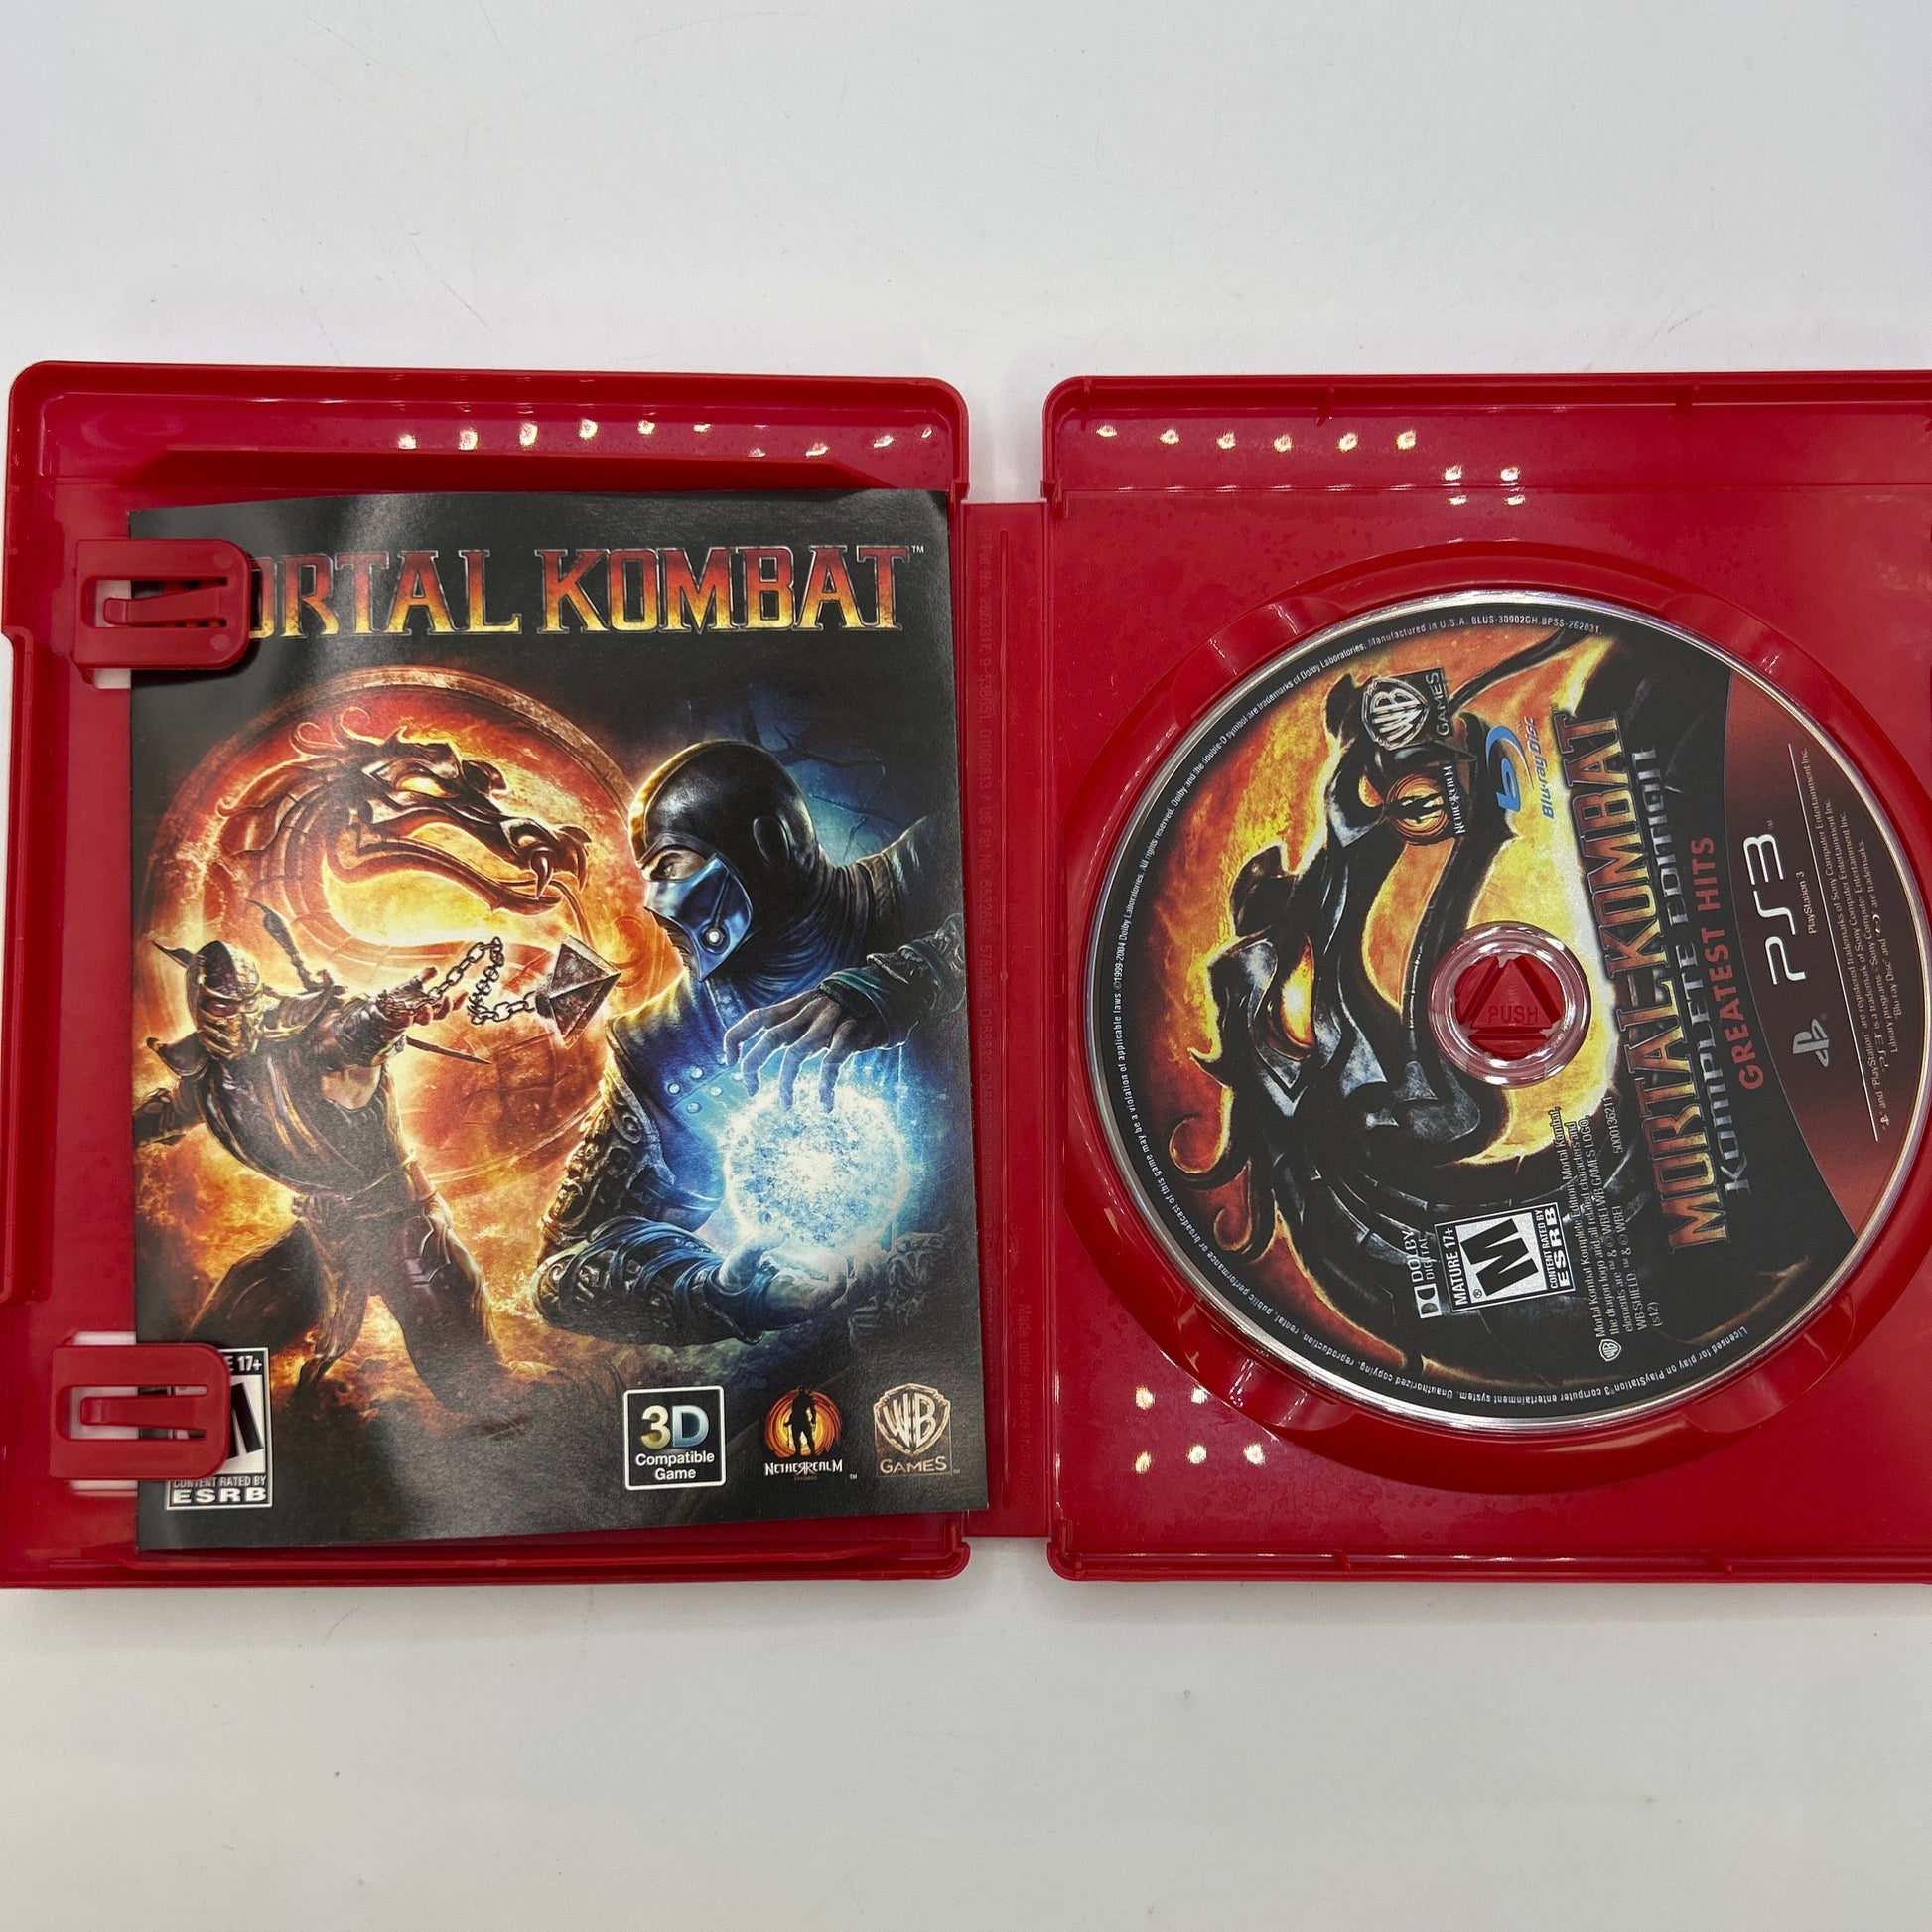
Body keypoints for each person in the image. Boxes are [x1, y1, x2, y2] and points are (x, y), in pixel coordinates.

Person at [532, 739, 964, 1347]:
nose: (655, 902)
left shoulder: (931, 867)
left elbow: (1038, 894)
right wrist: (721, 1291)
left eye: (671, 863)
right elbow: (563, 1270)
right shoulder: (669, 1044)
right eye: (650, 874)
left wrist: (905, 980)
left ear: (770, 845)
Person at [135, 937, 529, 1420]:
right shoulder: (206, 1081)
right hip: (324, 1233)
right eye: (219, 1005)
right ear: (198, 1008)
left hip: (402, 1221)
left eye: (243, 1002)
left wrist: (386, 1014)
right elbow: (165, 1115)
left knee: (474, 1382)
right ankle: (180, 1430)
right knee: (221, 1342)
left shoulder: (300, 1043)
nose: (234, 1017)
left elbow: (346, 1037)